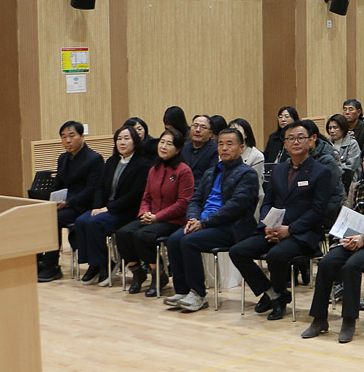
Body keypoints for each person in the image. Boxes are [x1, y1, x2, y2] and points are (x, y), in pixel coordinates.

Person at [230, 120, 338, 320]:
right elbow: (267, 202)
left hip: (302, 233)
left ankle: (278, 297)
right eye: (290, 138)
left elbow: (317, 210)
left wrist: (290, 229)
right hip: (273, 228)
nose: (295, 142)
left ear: (311, 141)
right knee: (238, 251)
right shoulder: (279, 169)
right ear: (285, 143)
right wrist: (266, 225)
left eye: (300, 138)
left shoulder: (321, 172)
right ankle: (273, 293)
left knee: (276, 255)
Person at [302, 146, 364, 344]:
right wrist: (344, 236)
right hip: (352, 239)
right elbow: (347, 215)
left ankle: (349, 320)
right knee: (326, 263)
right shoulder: (356, 186)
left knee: (351, 266)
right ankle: (319, 319)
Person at [163, 127, 261, 312]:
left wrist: (204, 222)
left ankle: (198, 294)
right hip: (203, 223)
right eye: (221, 144)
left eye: (229, 144)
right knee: (174, 239)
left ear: (241, 148)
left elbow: (235, 207)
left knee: (189, 242)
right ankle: (182, 291)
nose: (224, 148)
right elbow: (195, 199)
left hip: (231, 227)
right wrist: (193, 218)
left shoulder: (246, 174)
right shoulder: (211, 172)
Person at [115, 126, 194, 297]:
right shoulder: (154, 169)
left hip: (173, 220)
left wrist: (157, 217)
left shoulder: (184, 171)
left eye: (169, 144)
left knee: (142, 236)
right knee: (122, 233)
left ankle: (158, 274)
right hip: (151, 217)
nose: (163, 147)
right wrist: (144, 213)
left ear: (178, 148)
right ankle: (137, 272)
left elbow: (183, 203)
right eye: (162, 142)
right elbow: (146, 197)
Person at [73, 125, 149, 283]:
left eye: (126, 138)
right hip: (105, 208)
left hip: (126, 211)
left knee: (94, 223)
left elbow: (134, 195)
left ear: (135, 141)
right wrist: (97, 206)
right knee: (81, 221)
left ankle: (104, 265)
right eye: (119, 139)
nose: (122, 142)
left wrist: (107, 208)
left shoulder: (143, 165)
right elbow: (100, 187)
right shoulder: (112, 161)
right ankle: (93, 263)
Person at [37, 119, 103, 281]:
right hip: (66, 205)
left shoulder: (94, 159)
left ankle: (52, 265)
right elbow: (58, 183)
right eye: (63, 136)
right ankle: (38, 260)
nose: (67, 140)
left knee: (55, 219)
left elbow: (91, 190)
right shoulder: (63, 158)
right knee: (39, 215)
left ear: (82, 136)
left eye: (72, 136)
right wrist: (52, 201)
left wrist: (68, 202)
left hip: (83, 206)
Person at [324, 114, 361, 192]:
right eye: (330, 128)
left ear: (343, 128)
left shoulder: (352, 144)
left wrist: (333, 168)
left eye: (335, 127)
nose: (332, 131)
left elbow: (351, 167)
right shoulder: (327, 144)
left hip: (350, 184)